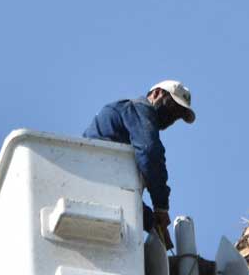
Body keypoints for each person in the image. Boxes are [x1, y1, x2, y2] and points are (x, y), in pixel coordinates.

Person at [84, 80, 196, 247]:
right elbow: (150, 152)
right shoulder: (138, 108)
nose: (172, 118)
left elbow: (120, 191)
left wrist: (152, 222)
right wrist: (161, 206)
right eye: (172, 108)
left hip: (93, 185)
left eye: (177, 116)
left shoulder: (129, 125)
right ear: (157, 93)